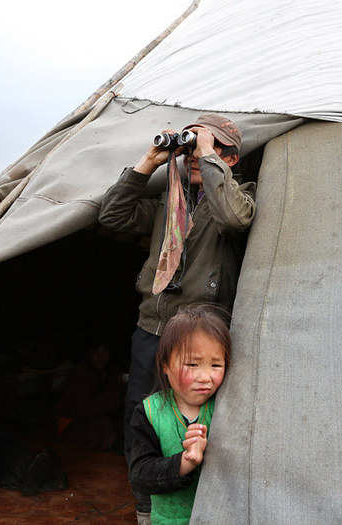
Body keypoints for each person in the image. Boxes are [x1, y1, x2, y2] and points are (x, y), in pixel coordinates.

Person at [98, 114, 254, 518]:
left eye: (215, 147)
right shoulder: (172, 201)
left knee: (197, 424)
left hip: (200, 338)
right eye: (194, 147)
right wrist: (150, 161)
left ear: (231, 158)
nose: (198, 156)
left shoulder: (239, 197)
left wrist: (207, 154)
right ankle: (146, 510)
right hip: (152, 329)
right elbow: (112, 216)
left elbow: (234, 218)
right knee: (146, 420)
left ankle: (199, 509)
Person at [128, 304, 231, 525]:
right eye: (192, 364)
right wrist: (185, 463)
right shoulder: (149, 413)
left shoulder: (228, 408)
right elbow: (140, 476)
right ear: (165, 365)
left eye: (216, 365)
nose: (205, 377)